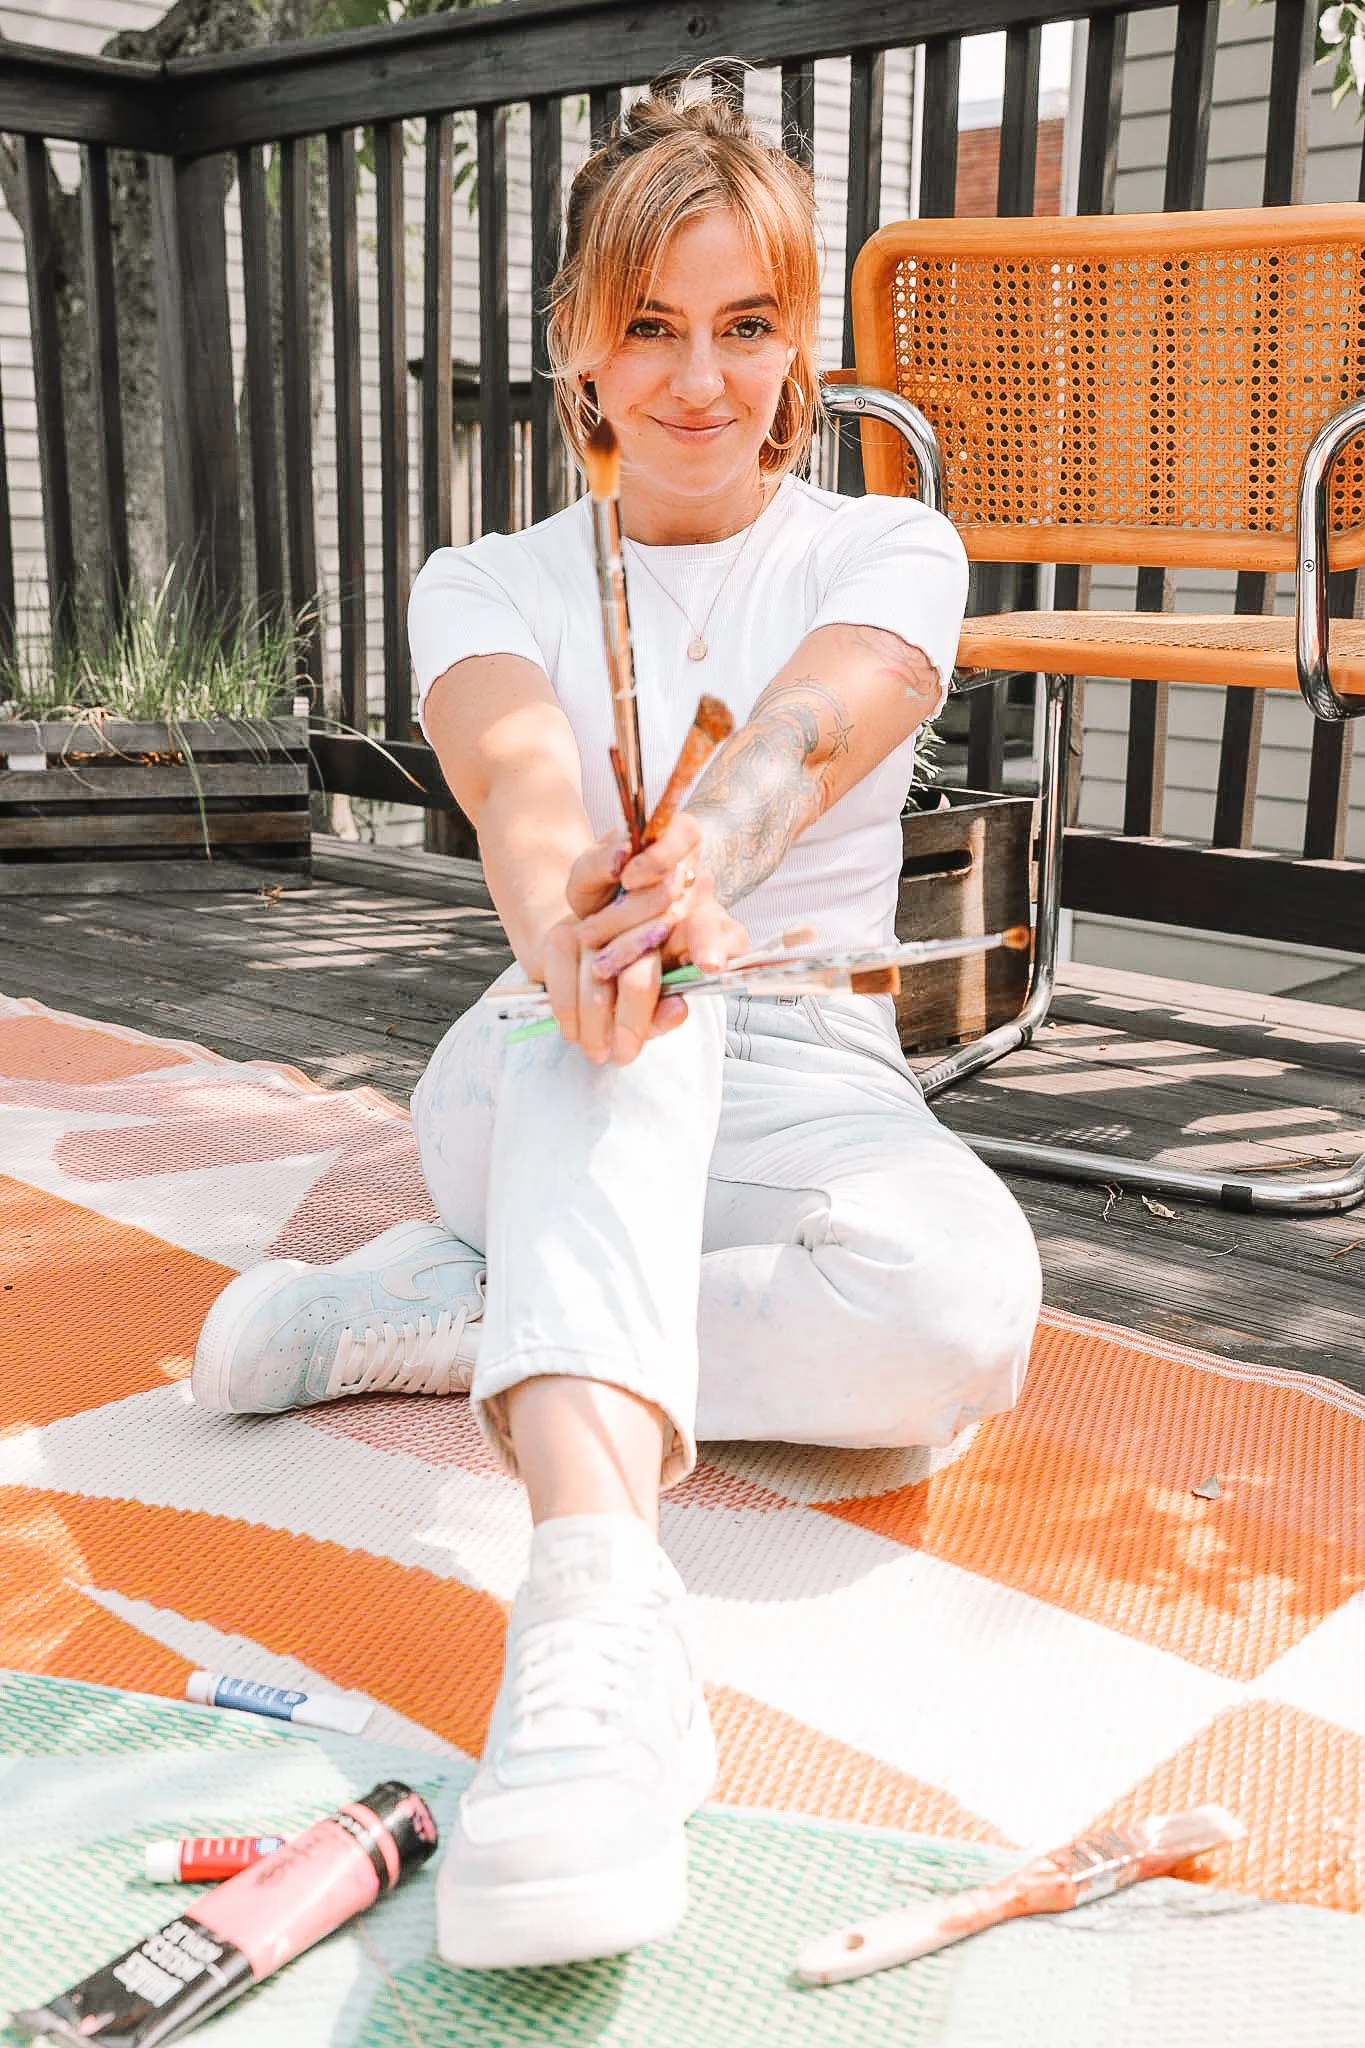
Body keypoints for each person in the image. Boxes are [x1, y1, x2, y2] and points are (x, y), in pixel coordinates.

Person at [191, 89, 1042, 1973]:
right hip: (549, 1042)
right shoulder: (481, 578)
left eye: (744, 327)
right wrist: (595, 915)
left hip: (814, 1066)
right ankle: (592, 1624)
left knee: (956, 1324)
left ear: (800, 345)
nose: (696, 379)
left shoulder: (885, 542)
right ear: (576, 340)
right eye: (649, 325)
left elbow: (824, 724)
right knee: (624, 1024)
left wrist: (709, 857)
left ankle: (465, 1316)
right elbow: (513, 789)